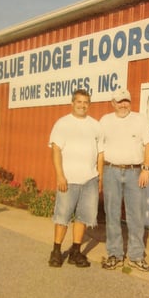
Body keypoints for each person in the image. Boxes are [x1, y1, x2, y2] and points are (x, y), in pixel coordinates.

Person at [100, 89, 149, 271]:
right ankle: (114, 254)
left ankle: (136, 256)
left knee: (136, 216)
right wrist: (99, 173)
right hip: (111, 170)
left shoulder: (140, 119)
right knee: (112, 214)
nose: (123, 105)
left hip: (135, 172)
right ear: (113, 103)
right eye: (120, 101)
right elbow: (99, 148)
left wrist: (146, 169)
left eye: (126, 101)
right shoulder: (105, 121)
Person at [48, 89, 104, 268]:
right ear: (72, 103)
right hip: (68, 179)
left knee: (83, 217)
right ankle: (56, 251)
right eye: (79, 102)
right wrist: (60, 176)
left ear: (89, 104)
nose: (82, 105)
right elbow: (56, 150)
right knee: (62, 217)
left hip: (90, 180)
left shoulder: (95, 125)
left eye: (85, 102)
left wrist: (99, 177)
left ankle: (75, 252)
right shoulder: (62, 124)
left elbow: (100, 154)